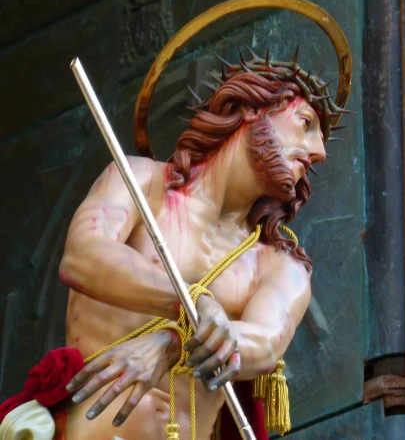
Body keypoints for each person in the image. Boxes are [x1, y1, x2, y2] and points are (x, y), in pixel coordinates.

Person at [50, 52, 343, 440]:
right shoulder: (142, 184)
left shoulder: (279, 264)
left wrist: (174, 342)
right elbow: (82, 257)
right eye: (305, 124)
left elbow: (267, 341)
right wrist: (195, 305)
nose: (319, 151)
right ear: (250, 111)